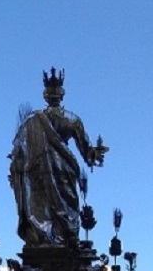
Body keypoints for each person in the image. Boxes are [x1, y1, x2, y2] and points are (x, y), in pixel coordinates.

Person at [8, 67, 106, 246]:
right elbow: (87, 151)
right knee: (62, 207)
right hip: (61, 170)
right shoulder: (72, 119)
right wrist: (95, 153)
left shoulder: (32, 120)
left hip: (44, 170)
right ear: (62, 95)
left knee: (43, 206)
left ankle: (49, 237)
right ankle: (59, 238)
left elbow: (18, 151)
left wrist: (16, 167)